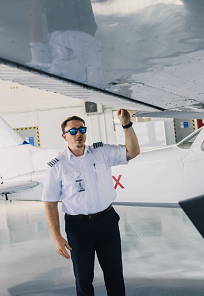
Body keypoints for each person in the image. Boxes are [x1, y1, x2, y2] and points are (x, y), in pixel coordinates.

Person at [42, 109, 140, 296]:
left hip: (107, 221)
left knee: (115, 274)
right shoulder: (57, 166)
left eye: (81, 129)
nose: (78, 134)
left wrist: (126, 125)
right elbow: (50, 203)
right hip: (78, 227)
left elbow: (133, 152)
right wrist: (57, 237)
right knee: (83, 278)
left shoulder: (101, 152)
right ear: (64, 136)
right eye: (72, 131)